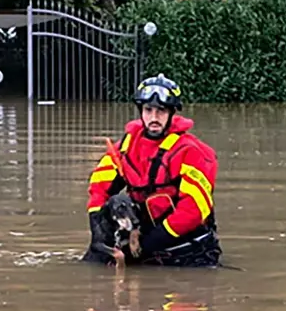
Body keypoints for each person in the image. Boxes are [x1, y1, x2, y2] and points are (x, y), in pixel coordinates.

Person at [85, 74, 221, 268]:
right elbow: (99, 186)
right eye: (148, 110)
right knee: (94, 265)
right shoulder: (126, 145)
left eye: (161, 111)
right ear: (141, 111)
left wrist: (148, 244)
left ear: (172, 113)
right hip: (140, 240)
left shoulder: (192, 152)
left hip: (186, 249)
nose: (154, 118)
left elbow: (193, 210)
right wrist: (97, 230)